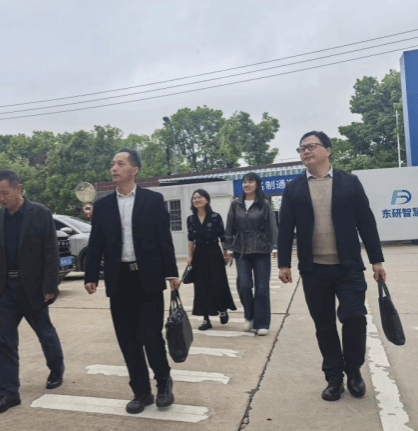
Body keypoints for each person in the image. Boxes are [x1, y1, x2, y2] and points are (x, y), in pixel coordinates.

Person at [278, 131, 387, 402]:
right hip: (314, 269)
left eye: (311, 146)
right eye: (302, 148)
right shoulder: (294, 188)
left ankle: (354, 370)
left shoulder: (349, 183)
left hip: (348, 267)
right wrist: (284, 263)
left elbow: (366, 222)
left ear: (328, 150)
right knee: (324, 325)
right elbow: (285, 228)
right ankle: (334, 377)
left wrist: (376, 260)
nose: (305, 151)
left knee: (354, 317)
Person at [85, 148, 180, 415]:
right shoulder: (103, 206)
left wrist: (172, 273)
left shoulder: (153, 200)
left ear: (134, 170)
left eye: (120, 163)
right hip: (119, 279)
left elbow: (164, 240)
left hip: (147, 277)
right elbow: (96, 243)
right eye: (112, 164)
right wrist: (91, 275)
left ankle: (163, 383)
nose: (114, 168)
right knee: (127, 338)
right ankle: (141, 392)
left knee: (151, 335)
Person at [0, 170, 65, 416]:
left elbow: (51, 251)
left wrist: (50, 286)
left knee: (45, 333)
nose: (1, 198)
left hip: (33, 288)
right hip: (6, 290)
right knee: (6, 342)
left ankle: (56, 368)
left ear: (18, 188)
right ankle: (9, 393)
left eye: (5, 193)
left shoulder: (40, 213)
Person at [225, 173, 278, 336]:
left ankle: (262, 323)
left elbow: (272, 226)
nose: (246, 185)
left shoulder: (264, 204)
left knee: (262, 288)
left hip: (261, 249)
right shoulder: (235, 204)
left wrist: (275, 246)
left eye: (250, 182)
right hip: (241, 250)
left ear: (257, 184)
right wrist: (228, 247)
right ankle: (249, 315)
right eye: (244, 182)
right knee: (244, 285)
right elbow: (229, 227)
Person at [187, 189, 236, 331]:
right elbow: (190, 239)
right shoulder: (191, 219)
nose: (197, 200)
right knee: (201, 287)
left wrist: (226, 253)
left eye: (200, 197)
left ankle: (222, 309)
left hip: (214, 253)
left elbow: (222, 236)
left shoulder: (215, 217)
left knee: (218, 283)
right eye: (194, 198)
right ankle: (206, 319)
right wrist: (190, 256)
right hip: (199, 254)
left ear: (207, 200)